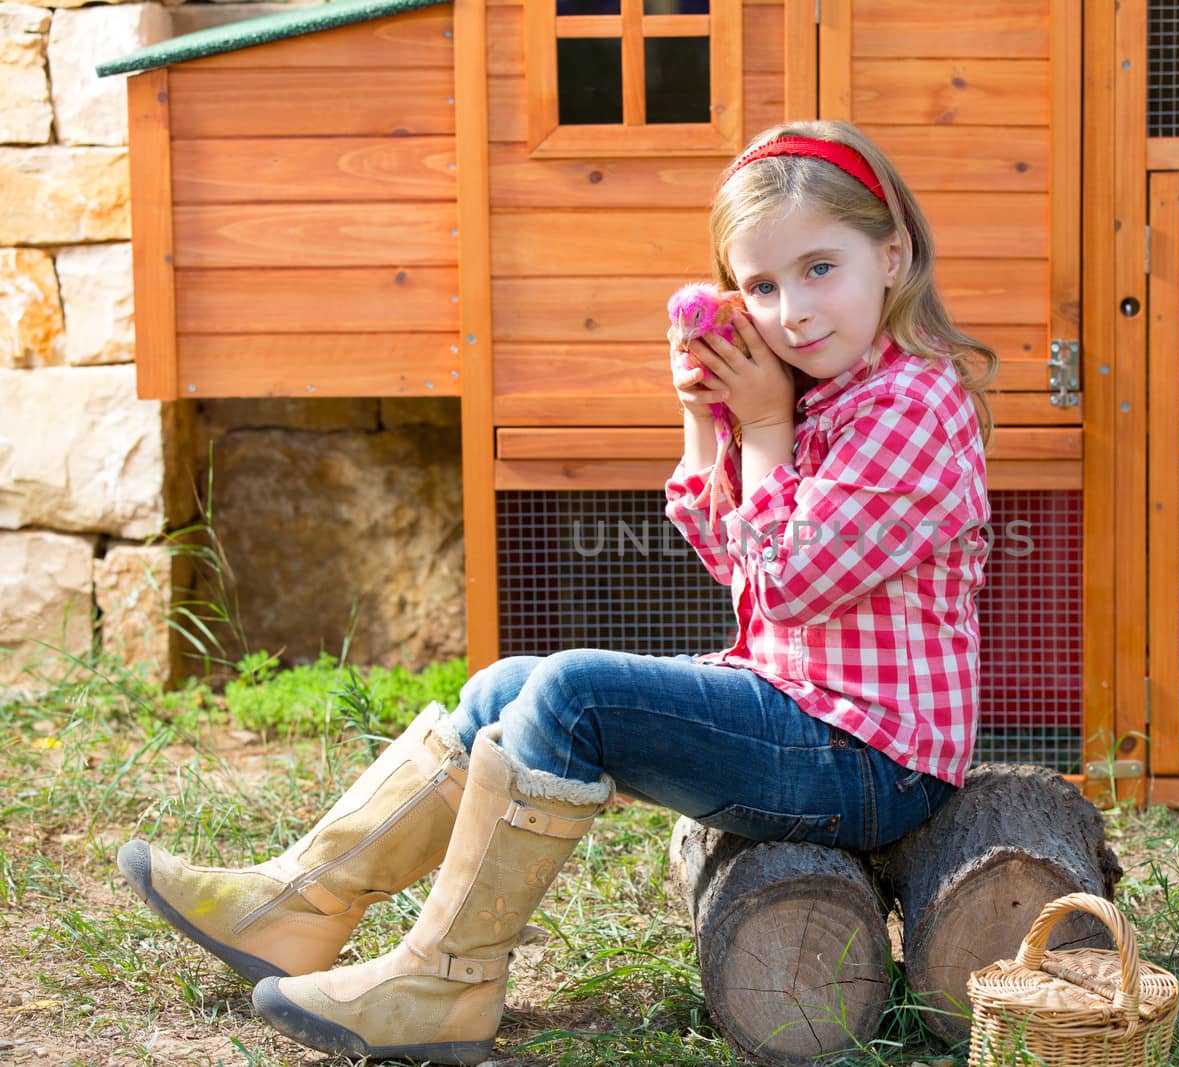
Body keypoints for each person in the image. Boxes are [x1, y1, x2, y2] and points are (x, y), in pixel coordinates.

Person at [115, 119, 997, 1065]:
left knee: (575, 694)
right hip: (800, 712)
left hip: (870, 759)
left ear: (893, 252)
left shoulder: (914, 402)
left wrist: (767, 426)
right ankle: (296, 903)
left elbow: (785, 583)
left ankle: (446, 979)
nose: (792, 311)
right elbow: (731, 560)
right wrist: (706, 423)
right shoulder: (822, 393)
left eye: (821, 268)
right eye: (762, 286)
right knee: (506, 687)